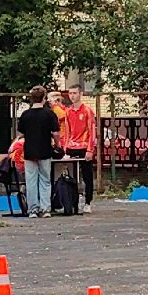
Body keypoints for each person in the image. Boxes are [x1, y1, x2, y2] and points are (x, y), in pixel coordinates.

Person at [17, 86, 60, 218]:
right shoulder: (49, 114)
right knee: (45, 180)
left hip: (29, 152)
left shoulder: (25, 115)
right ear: (44, 98)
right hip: (45, 151)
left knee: (30, 181)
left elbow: (21, 134)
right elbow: (56, 133)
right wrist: (57, 144)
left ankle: (33, 210)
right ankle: (45, 209)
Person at [60, 86, 98, 214]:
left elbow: (92, 130)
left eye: (75, 93)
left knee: (87, 176)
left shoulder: (87, 111)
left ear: (80, 94)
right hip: (71, 147)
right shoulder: (68, 111)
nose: (72, 96)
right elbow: (67, 131)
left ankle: (88, 202)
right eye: (70, 93)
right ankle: (72, 202)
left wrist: (90, 149)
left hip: (84, 146)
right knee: (70, 176)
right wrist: (65, 149)